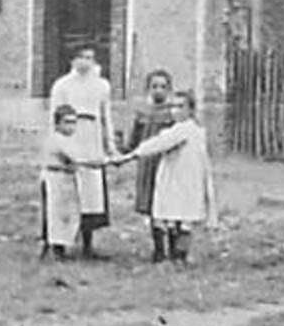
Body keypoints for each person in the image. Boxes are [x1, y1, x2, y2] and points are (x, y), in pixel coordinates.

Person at [114, 89, 218, 264]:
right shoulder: (179, 129)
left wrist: (133, 154)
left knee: (184, 216)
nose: (175, 111)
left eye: (181, 106)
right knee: (172, 214)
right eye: (173, 107)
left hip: (186, 180)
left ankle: (180, 255)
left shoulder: (188, 129)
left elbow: (160, 143)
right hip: (174, 177)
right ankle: (172, 255)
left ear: (191, 110)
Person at [46, 46, 116, 258]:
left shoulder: (102, 86)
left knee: (91, 196)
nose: (86, 62)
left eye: (90, 58)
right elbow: (54, 119)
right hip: (71, 139)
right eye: (81, 57)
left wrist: (110, 146)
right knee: (66, 196)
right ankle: (60, 245)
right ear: (72, 60)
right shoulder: (62, 86)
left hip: (92, 142)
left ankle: (88, 244)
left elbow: (106, 118)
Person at [122, 68, 175, 255]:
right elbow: (134, 141)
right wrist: (124, 153)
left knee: (169, 205)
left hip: (167, 165)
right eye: (154, 86)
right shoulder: (143, 113)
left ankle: (174, 247)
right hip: (147, 165)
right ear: (148, 89)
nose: (158, 90)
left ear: (169, 90)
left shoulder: (172, 114)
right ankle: (158, 248)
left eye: (162, 86)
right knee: (152, 206)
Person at [40, 104, 88, 260]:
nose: (71, 126)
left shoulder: (70, 140)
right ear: (57, 124)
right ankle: (55, 248)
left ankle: (61, 246)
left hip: (67, 179)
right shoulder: (57, 139)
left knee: (68, 213)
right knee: (57, 214)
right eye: (66, 122)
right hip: (55, 179)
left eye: (74, 122)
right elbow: (78, 157)